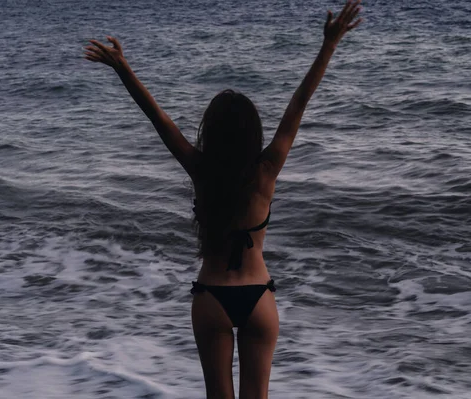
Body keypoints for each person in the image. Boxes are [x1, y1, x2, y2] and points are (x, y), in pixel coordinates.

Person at [84, 1, 362, 397]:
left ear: (210, 133)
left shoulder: (200, 169)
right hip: (259, 297)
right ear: (253, 134)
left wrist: (123, 69)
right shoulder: (267, 171)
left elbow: (158, 119)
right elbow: (298, 105)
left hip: (212, 296)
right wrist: (329, 46)